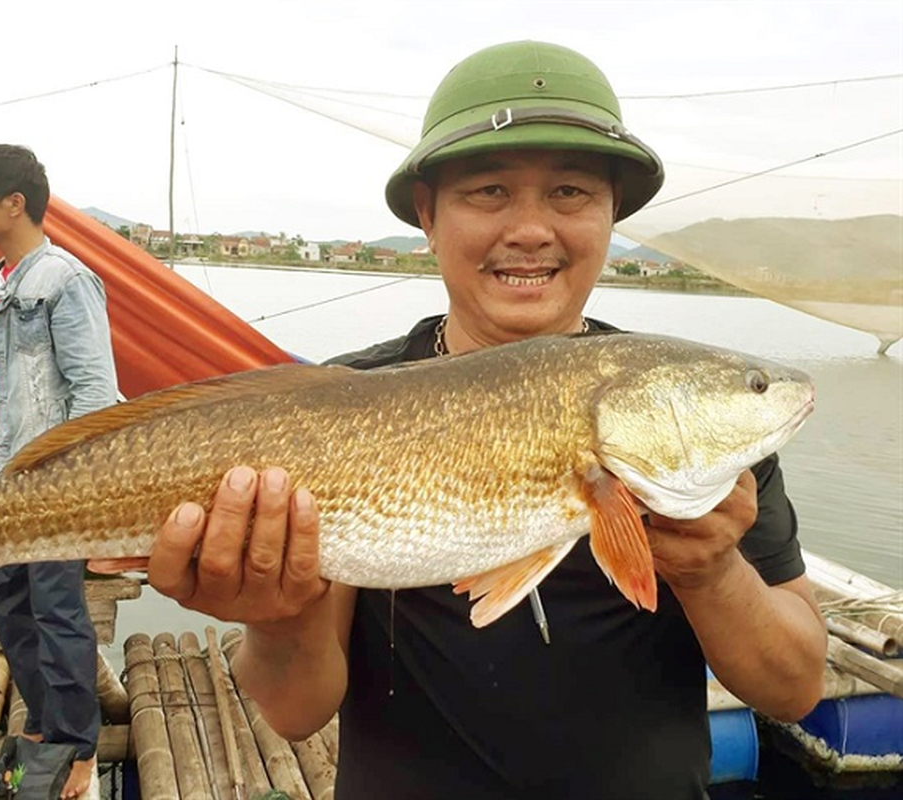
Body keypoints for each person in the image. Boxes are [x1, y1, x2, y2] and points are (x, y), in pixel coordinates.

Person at [147, 42, 828, 799]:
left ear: (610, 214)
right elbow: (296, 711)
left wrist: (712, 571)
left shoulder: (701, 440)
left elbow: (795, 689)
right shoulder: (338, 405)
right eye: (489, 191)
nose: (530, 228)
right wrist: (277, 616)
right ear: (427, 215)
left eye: (570, 191)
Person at [0, 144, 118, 799]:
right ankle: (41, 724)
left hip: (47, 482)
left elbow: (95, 392)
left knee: (57, 610)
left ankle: (77, 747)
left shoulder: (65, 280)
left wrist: (70, 480)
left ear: (14, 203)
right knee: (10, 605)